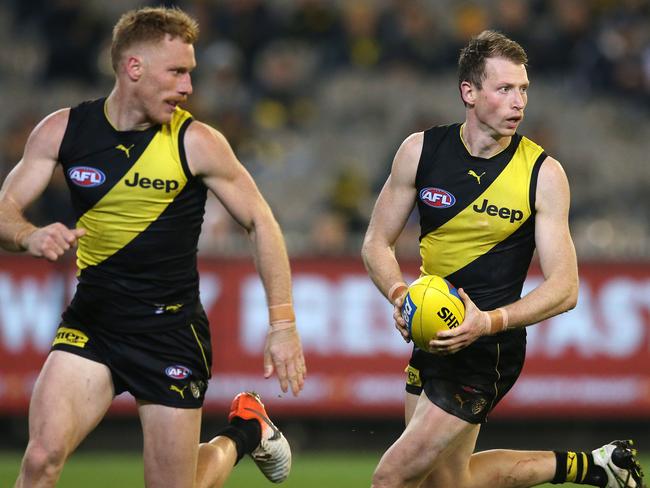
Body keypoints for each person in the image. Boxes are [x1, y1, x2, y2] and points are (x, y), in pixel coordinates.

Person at [0, 7, 306, 488]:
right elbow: (5, 209)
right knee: (40, 460)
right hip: (92, 324)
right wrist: (28, 234)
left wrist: (283, 323)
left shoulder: (198, 142)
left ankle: (246, 431)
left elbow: (260, 222)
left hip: (169, 333)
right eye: (177, 73)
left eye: (190, 74)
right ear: (134, 68)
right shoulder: (64, 131)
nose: (187, 87)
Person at [361, 30, 645, 488]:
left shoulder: (543, 174)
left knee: (390, 478)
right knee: (450, 483)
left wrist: (489, 322)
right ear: (468, 93)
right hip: (431, 339)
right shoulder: (420, 151)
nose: (519, 103)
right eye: (505, 89)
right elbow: (375, 243)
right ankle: (592, 466)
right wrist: (399, 294)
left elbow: (565, 288)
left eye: (524, 89)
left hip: (487, 351)